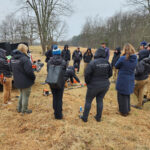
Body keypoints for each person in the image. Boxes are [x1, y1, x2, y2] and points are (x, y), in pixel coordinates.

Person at [80, 47, 112, 122]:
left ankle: (85, 118)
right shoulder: (107, 63)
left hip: (94, 86)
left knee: (88, 100)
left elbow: (87, 75)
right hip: (104, 85)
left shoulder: (93, 62)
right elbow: (110, 74)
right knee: (100, 100)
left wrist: (88, 83)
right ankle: (98, 117)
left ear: (97, 53)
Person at [11, 44, 36, 114]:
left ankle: (19, 108)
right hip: (25, 81)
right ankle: (24, 110)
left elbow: (11, 69)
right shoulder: (25, 59)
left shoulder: (12, 59)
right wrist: (33, 78)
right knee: (25, 96)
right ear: (25, 50)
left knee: (22, 94)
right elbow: (29, 72)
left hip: (17, 81)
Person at [115, 43, 137, 116]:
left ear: (125, 50)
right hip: (130, 78)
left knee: (121, 96)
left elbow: (116, 66)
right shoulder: (135, 58)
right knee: (127, 95)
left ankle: (124, 112)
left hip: (123, 79)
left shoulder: (123, 58)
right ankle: (127, 109)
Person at [47, 45, 66, 119]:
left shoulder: (49, 61)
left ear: (53, 54)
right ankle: (59, 115)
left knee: (54, 97)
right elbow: (64, 73)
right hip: (60, 82)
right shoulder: (63, 61)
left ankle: (55, 112)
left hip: (52, 81)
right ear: (59, 53)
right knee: (59, 98)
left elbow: (48, 71)